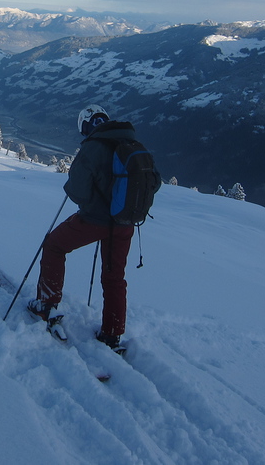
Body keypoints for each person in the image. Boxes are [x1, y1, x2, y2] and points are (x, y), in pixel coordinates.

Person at [28, 104, 160, 351]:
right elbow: (155, 181)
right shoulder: (133, 144)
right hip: (125, 224)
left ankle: (46, 305)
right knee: (114, 277)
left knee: (54, 246)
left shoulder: (92, 147)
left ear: (85, 126)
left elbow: (77, 190)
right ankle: (112, 334)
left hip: (94, 221)